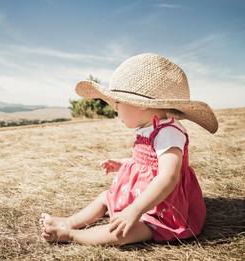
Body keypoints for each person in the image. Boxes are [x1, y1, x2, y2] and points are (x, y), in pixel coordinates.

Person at [39, 53, 218, 246]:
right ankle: (70, 222)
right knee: (104, 198)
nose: (115, 109)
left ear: (140, 105)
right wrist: (123, 163)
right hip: (139, 192)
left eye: (117, 103)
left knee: (124, 231)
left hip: (161, 205)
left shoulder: (169, 133)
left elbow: (168, 177)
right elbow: (148, 162)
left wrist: (135, 210)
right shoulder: (148, 127)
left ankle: (70, 235)